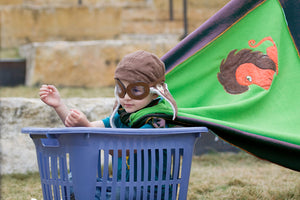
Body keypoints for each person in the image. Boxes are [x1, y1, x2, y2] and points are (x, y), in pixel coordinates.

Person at [39, 50, 178, 199]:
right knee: (75, 179)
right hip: (121, 186)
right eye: (121, 89)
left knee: (121, 192)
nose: (125, 97)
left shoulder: (157, 121)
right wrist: (59, 105)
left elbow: (127, 149)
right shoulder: (122, 117)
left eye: (136, 90)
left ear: (155, 93)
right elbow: (82, 130)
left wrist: (87, 126)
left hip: (151, 192)